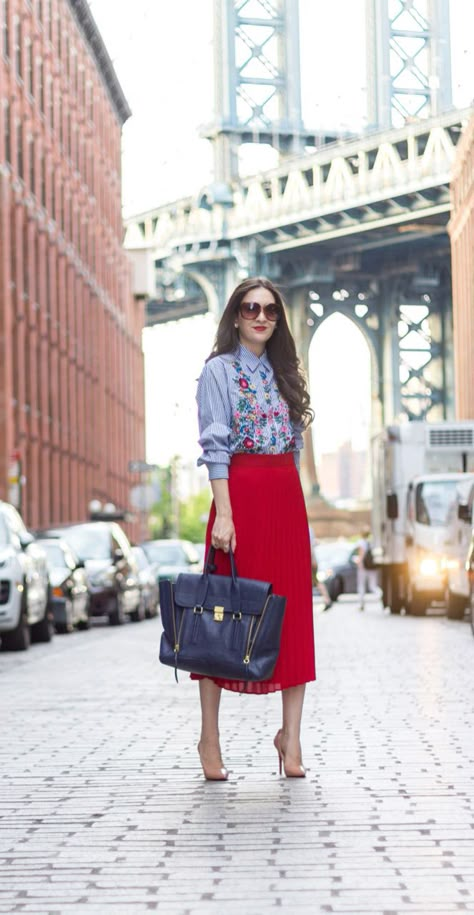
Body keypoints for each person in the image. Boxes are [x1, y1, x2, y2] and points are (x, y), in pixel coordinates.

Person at [194, 276, 316, 780]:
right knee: (220, 617)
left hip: (285, 500)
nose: (261, 316)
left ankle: (291, 740)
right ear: (236, 315)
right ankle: (209, 738)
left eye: (269, 310)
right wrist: (224, 512)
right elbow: (215, 445)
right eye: (250, 308)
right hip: (239, 497)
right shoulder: (218, 372)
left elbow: (294, 450)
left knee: (291, 619)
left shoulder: (287, 374)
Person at [308, 525, 332, 610]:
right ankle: (327, 599)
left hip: (310, 560)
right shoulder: (310, 528)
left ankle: (327, 599)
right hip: (311, 559)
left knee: (315, 581)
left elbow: (310, 546)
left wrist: (312, 559)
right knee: (314, 581)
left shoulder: (307, 528)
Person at [356, 527, 378, 611]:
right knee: (373, 585)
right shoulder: (370, 542)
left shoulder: (361, 542)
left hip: (363, 566)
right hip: (371, 566)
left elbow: (361, 554)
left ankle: (361, 604)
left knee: (361, 585)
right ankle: (380, 594)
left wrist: (359, 562)